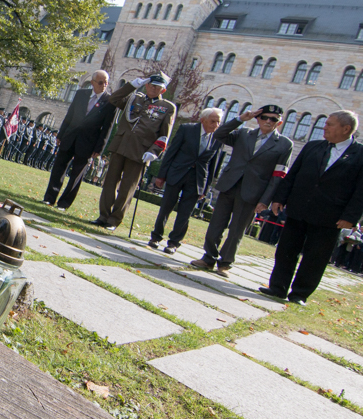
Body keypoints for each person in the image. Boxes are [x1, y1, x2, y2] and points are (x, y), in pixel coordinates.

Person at [260, 111, 363, 305]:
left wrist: (351, 216)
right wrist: (279, 198)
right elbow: (293, 174)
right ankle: (277, 287)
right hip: (299, 208)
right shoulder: (313, 147)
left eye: (330, 124)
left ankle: (299, 294)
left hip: (330, 216)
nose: (324, 127)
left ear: (346, 129)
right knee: (286, 250)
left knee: (316, 257)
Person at [190, 104, 292, 277]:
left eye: (273, 119)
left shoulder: (284, 144)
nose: (268, 121)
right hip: (230, 184)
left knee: (237, 230)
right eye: (264, 117)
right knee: (216, 224)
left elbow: (278, 175)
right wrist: (240, 119)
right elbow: (219, 134)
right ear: (257, 118)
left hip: (253, 192)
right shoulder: (244, 133)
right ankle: (208, 258)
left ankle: (225, 263)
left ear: (279, 122)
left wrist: (265, 200)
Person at [93, 73, 176, 230]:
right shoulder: (134, 98)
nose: (153, 88)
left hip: (141, 152)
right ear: (146, 85)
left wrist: (154, 151)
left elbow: (164, 135)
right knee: (109, 183)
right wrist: (132, 85)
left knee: (127, 188)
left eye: (157, 87)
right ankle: (103, 216)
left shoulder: (167, 108)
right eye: (151, 85)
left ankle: (114, 220)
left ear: (163, 90)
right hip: (121, 145)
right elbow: (114, 99)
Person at [148, 107, 224, 254]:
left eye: (218, 122)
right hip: (177, 174)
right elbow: (171, 152)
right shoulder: (187, 129)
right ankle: (156, 237)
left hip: (197, 180)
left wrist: (205, 188)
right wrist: (161, 175)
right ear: (203, 120)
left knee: (185, 214)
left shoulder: (218, 139)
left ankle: (174, 243)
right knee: (166, 208)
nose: (216, 125)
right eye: (213, 121)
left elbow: (213, 166)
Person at [43, 71, 115, 210]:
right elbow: (70, 114)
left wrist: (99, 148)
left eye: (106, 82)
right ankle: (49, 198)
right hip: (70, 136)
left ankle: (64, 203)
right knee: (59, 169)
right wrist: (61, 134)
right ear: (93, 82)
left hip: (88, 142)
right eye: (100, 82)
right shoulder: (81, 94)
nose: (104, 85)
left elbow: (107, 127)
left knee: (76, 174)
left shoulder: (109, 101)